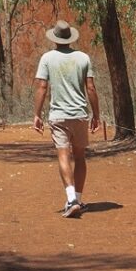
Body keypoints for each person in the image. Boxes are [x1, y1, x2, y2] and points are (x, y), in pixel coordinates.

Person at [32, 20, 103, 217]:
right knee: (79, 157)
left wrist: (37, 114)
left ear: (55, 39)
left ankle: (71, 199)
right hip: (79, 114)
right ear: (70, 38)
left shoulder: (47, 58)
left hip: (59, 115)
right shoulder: (83, 58)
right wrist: (96, 115)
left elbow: (42, 87)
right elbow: (90, 88)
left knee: (63, 155)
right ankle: (78, 200)